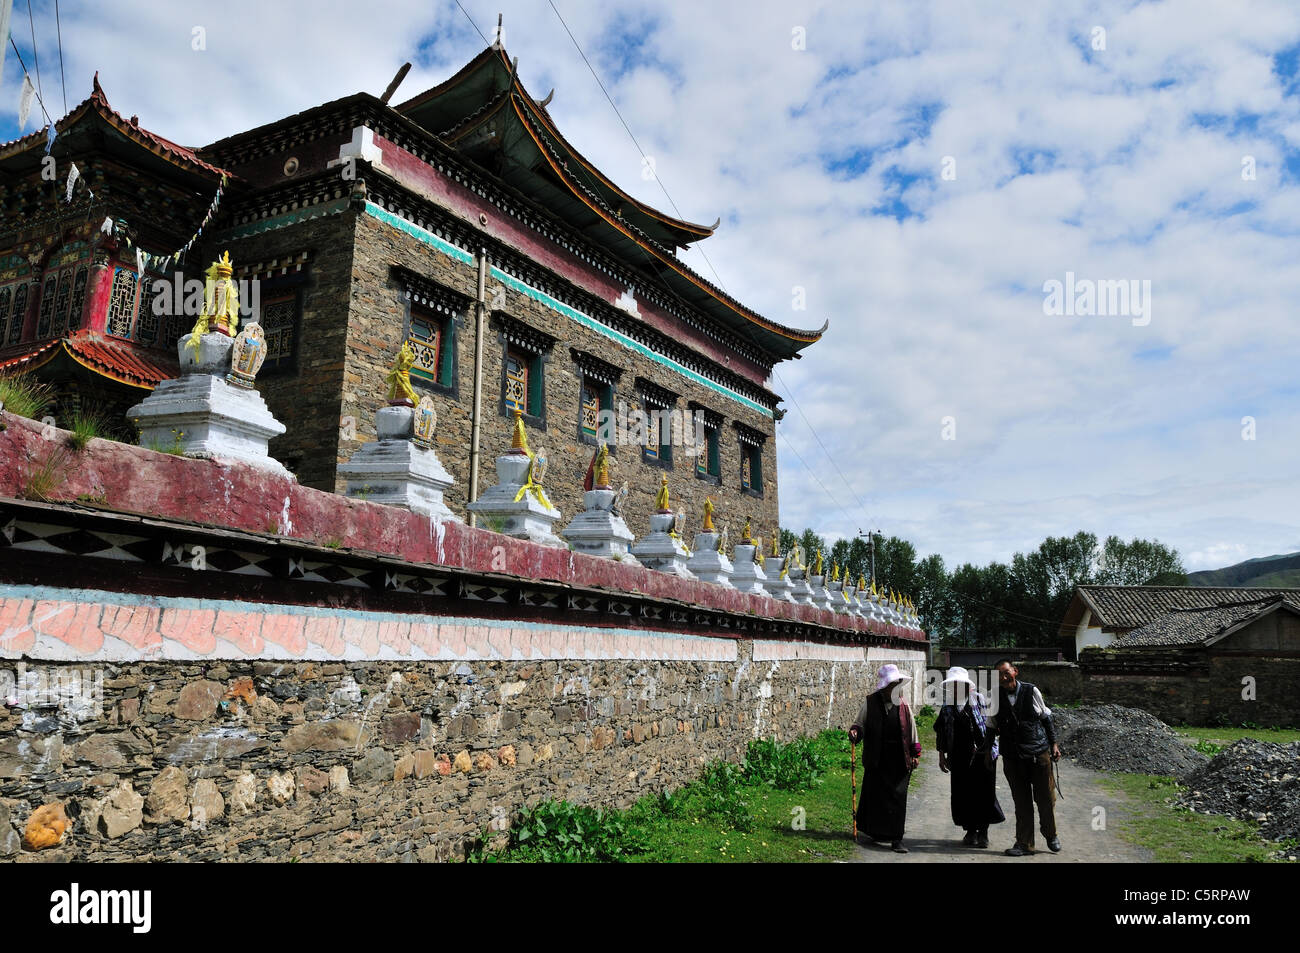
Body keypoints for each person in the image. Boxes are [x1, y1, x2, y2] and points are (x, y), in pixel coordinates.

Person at [847, 663, 921, 853]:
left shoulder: (903, 704)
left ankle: (897, 838)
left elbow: (911, 729)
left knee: (897, 797)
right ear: (884, 687)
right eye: (892, 686)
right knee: (875, 796)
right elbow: (859, 723)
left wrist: (915, 752)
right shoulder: (870, 702)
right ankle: (877, 832)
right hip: (877, 757)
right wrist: (855, 732)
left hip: (899, 757)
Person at [991, 659, 1061, 856]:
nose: (1003, 677)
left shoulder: (1031, 691)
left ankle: (1051, 834)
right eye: (999, 674)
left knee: (1046, 799)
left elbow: (1046, 718)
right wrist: (988, 751)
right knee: (1021, 803)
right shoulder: (994, 696)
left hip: (1038, 755)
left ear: (1015, 671)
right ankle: (1024, 844)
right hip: (1013, 759)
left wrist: (1054, 744)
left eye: (1006, 672)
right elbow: (991, 725)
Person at [935, 666, 1005, 848]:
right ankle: (970, 831)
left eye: (960, 684)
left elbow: (992, 725)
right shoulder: (947, 706)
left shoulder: (980, 700)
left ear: (967, 686)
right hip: (959, 756)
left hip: (983, 755)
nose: (956, 688)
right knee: (962, 793)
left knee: (984, 793)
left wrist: (989, 749)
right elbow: (941, 731)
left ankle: (983, 832)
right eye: (953, 684)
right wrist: (942, 756)